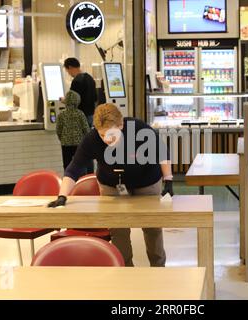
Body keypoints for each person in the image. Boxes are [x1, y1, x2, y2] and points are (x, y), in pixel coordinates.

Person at [48, 103, 174, 267]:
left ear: (121, 125)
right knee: (118, 227)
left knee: (152, 226)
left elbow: (162, 153)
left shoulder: (139, 130)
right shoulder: (91, 139)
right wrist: (62, 196)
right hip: (112, 185)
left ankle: (158, 267)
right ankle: (124, 269)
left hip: (146, 181)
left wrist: (169, 180)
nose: (108, 139)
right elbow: (74, 168)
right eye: (102, 135)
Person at [56, 90, 90, 170]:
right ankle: (80, 181)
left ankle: (68, 180)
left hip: (65, 144)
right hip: (79, 143)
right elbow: (86, 129)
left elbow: (58, 130)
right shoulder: (80, 113)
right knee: (80, 165)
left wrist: (62, 139)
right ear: (77, 100)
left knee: (67, 165)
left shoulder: (61, 114)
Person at [63, 57, 97, 127]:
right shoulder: (90, 78)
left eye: (67, 71)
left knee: (81, 137)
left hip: (80, 116)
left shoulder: (76, 81)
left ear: (69, 67)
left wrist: (64, 100)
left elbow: (72, 101)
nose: (68, 73)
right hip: (91, 114)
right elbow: (95, 97)